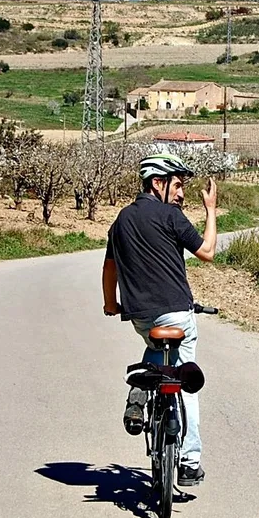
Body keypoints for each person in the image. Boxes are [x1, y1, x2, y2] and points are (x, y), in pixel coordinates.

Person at [102, 153, 218, 487]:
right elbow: (207, 252)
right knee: (185, 379)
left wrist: (111, 304)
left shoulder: (121, 220)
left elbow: (110, 268)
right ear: (158, 183)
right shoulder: (171, 216)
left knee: (155, 348)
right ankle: (189, 461)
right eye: (178, 185)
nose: (181, 194)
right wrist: (210, 210)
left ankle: (140, 388)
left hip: (140, 316)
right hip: (177, 314)